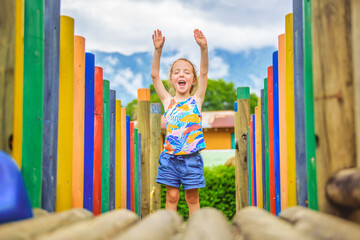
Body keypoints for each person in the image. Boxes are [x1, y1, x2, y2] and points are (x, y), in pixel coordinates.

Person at [150, 29, 208, 217]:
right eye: (176, 72)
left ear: (193, 81)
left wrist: (203, 48)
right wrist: (158, 50)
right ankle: (170, 231)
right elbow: (154, 76)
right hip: (170, 158)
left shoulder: (196, 100)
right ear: (172, 80)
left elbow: (205, 73)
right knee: (172, 197)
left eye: (186, 72)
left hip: (192, 158)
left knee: (192, 199)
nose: (181, 75)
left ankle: (195, 232)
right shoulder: (168, 101)